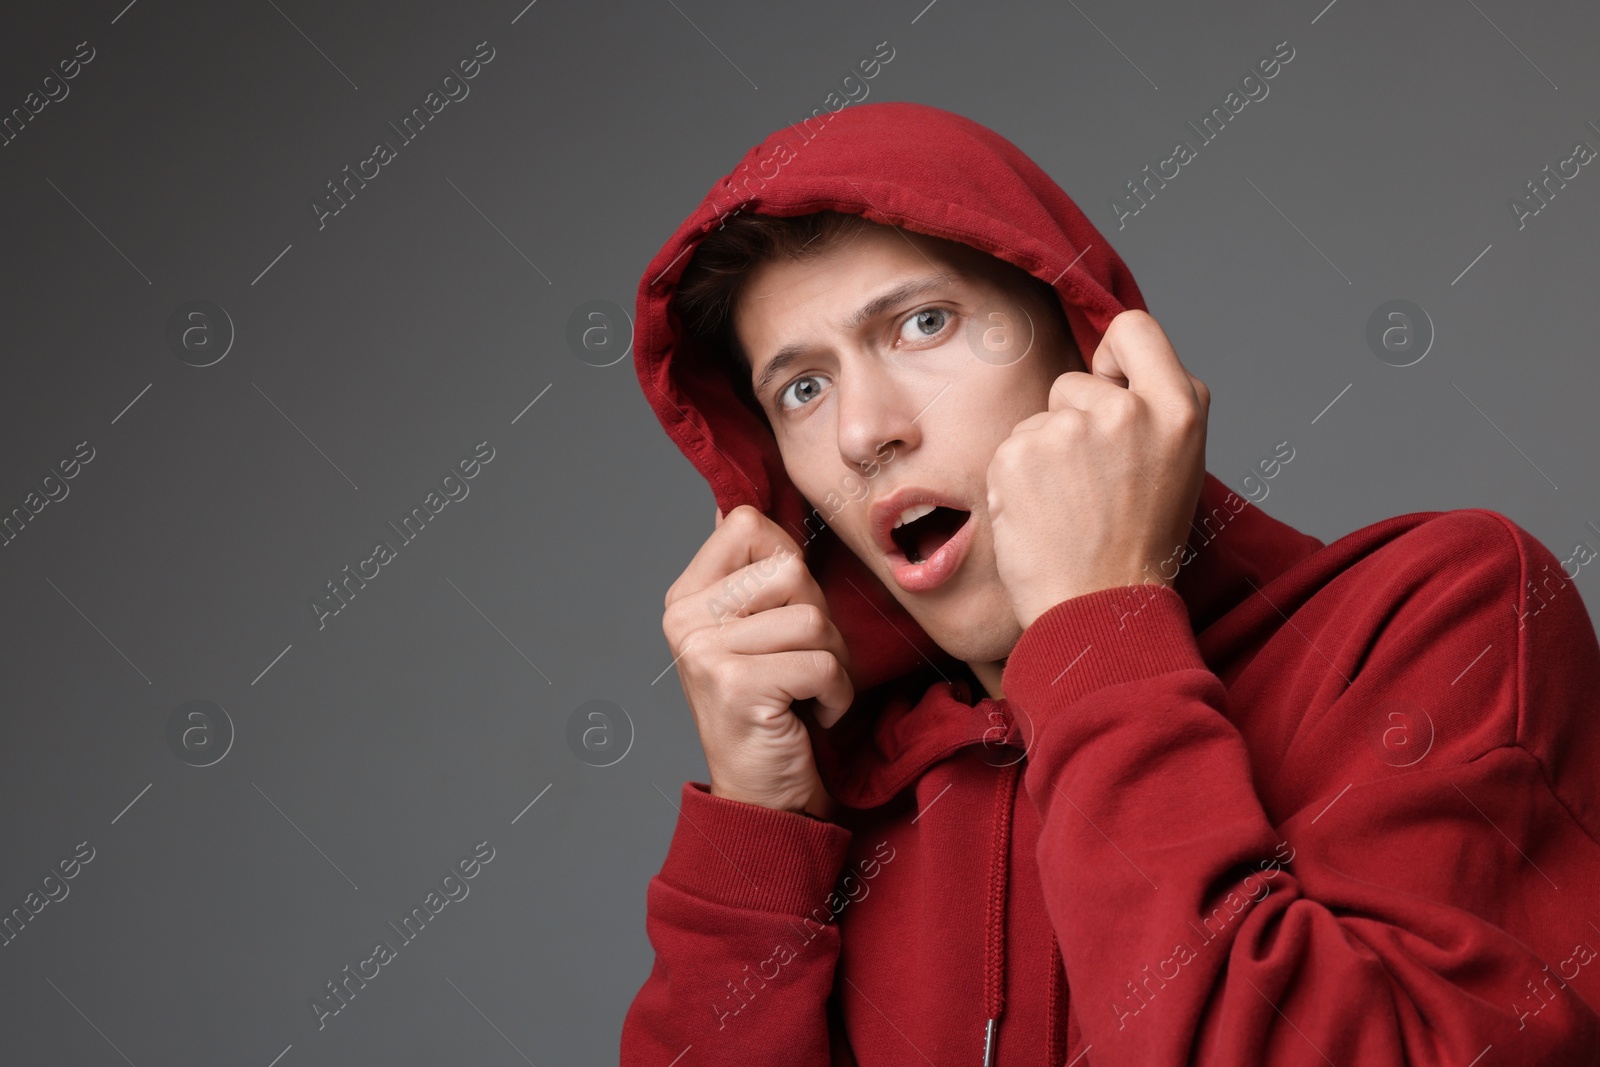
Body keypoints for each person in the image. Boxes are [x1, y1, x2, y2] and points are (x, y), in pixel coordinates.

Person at [620, 100, 1600, 1066]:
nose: (861, 430)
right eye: (803, 386)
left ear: (1087, 346)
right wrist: (758, 839)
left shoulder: (1436, 616)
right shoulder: (853, 801)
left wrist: (1098, 636)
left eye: (923, 323)